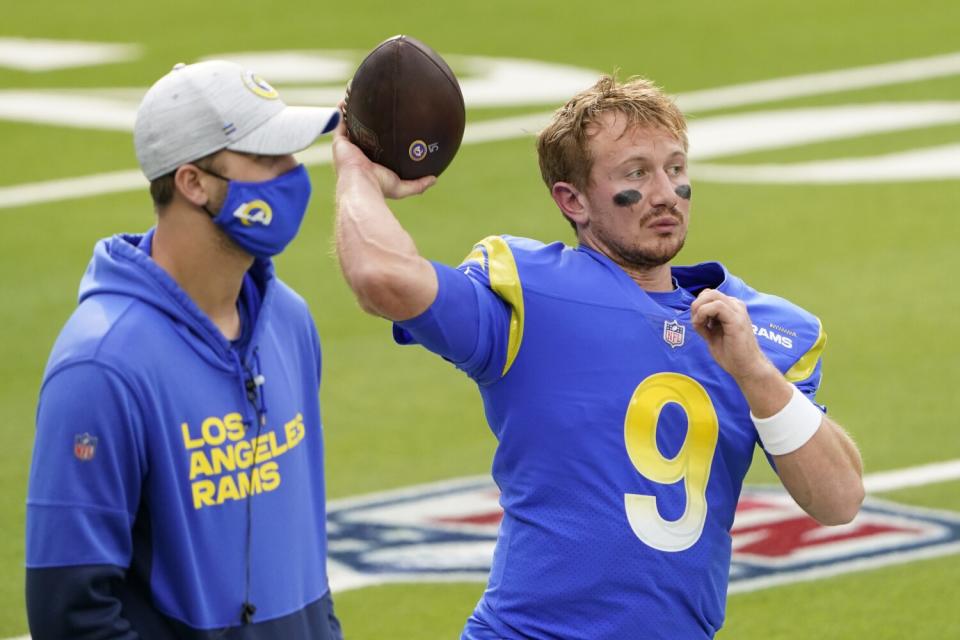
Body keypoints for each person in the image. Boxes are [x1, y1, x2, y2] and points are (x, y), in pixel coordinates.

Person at [332, 75, 865, 639]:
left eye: (675, 168)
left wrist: (755, 373)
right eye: (636, 173)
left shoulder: (764, 328)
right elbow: (379, 278)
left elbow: (839, 500)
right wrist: (356, 173)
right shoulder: (530, 294)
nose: (664, 193)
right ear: (573, 200)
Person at [26, 60, 343, 639]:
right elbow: (69, 613)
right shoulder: (101, 367)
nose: (294, 176)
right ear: (193, 182)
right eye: (266, 158)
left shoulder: (288, 322)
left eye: (292, 156)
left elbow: (302, 556)